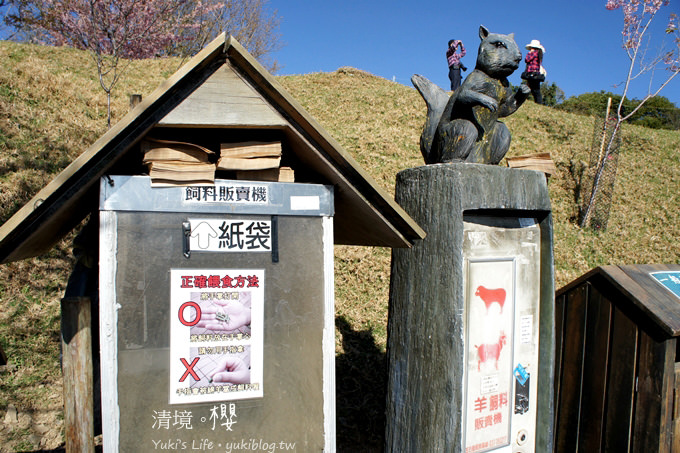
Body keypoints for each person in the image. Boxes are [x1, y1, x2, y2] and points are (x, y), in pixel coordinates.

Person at [523, 39, 545, 104]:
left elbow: (527, 59)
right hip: (535, 73)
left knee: (532, 88)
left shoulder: (534, 53)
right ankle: (538, 102)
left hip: (532, 72)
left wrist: (529, 53)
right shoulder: (538, 54)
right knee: (535, 89)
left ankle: (537, 102)